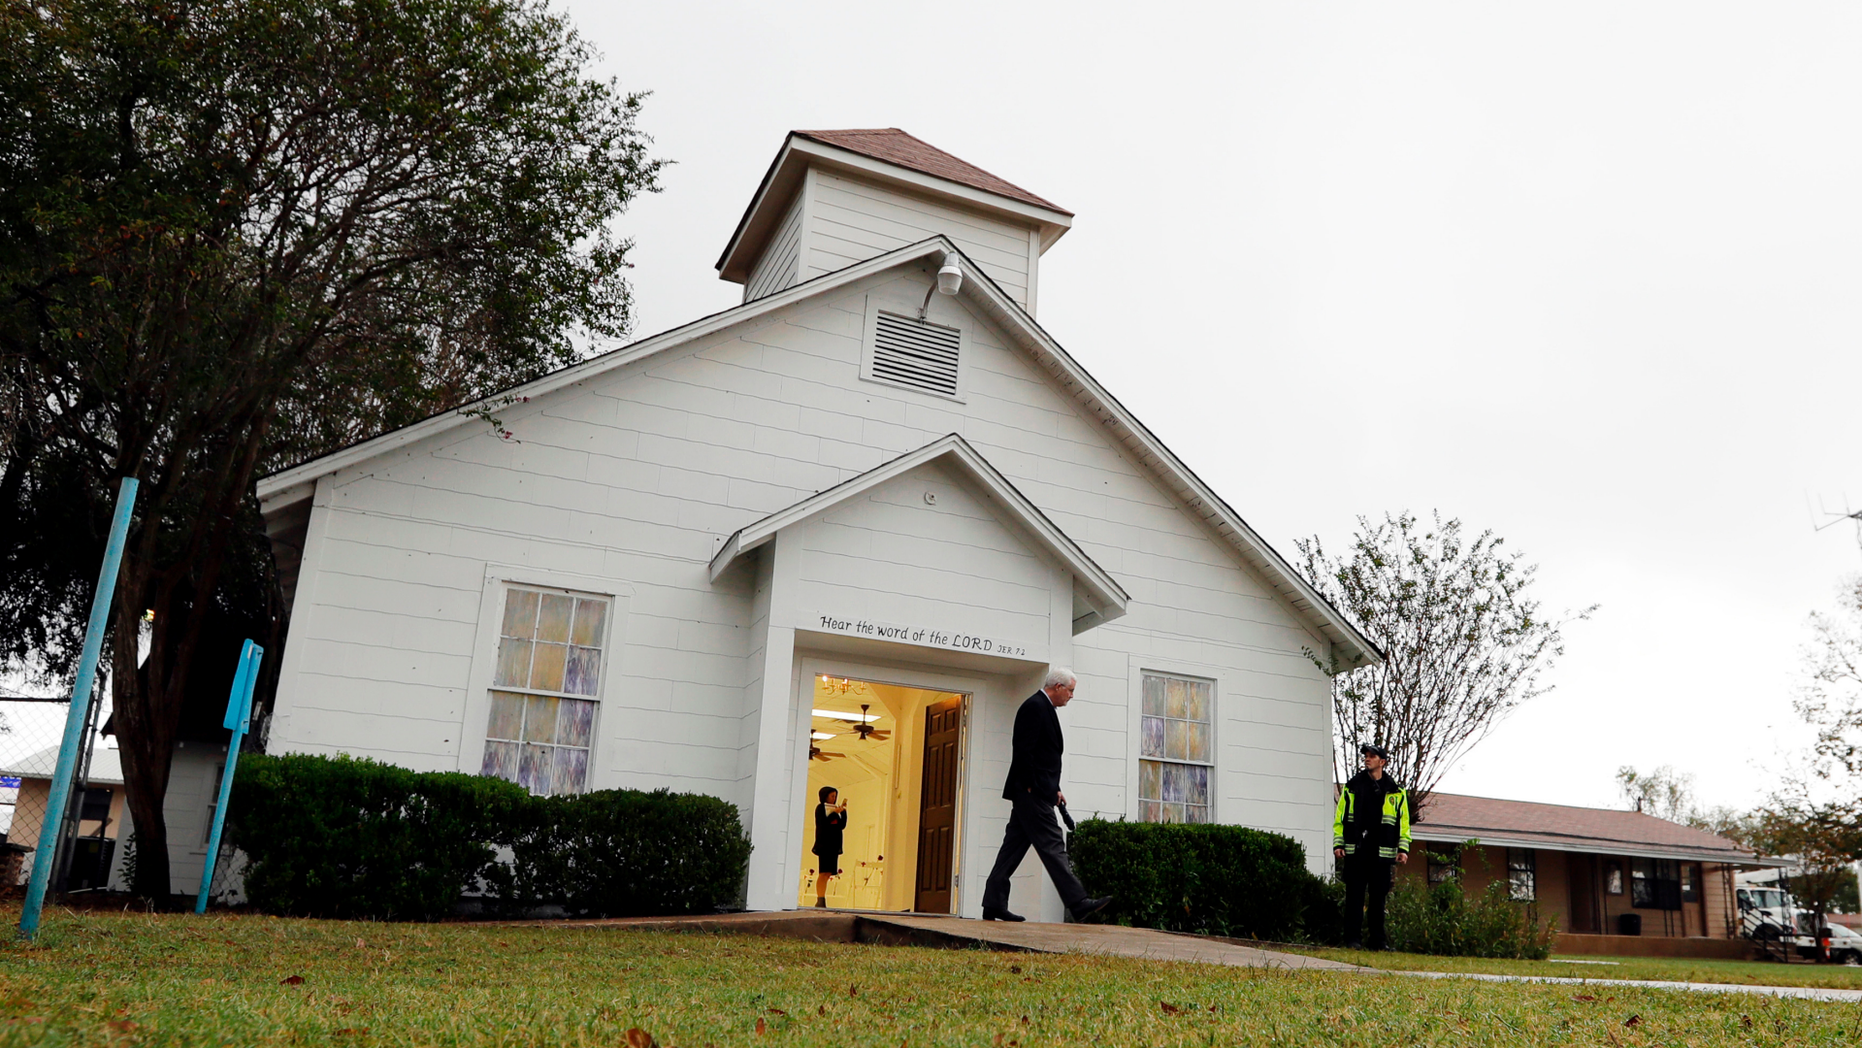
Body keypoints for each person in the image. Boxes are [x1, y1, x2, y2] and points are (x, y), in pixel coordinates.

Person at [980, 668, 1112, 923]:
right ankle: (1079, 902)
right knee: (1053, 844)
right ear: (1058, 686)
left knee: (1012, 849)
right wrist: (1033, 786)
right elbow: (1024, 750)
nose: (1072, 696)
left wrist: (1055, 789)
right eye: (1071, 690)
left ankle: (993, 903)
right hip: (1032, 793)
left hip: (1035, 791)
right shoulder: (1034, 706)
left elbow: (1044, 756)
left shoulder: (1043, 707)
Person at [1333, 743, 1411, 950]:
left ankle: (1378, 942)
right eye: (1366, 756)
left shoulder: (1396, 792)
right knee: (1354, 899)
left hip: (1382, 854)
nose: (1367, 759)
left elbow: (1403, 823)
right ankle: (1352, 941)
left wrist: (1403, 849)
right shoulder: (1352, 787)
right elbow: (1340, 818)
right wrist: (1338, 843)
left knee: (1378, 900)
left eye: (1372, 756)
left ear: (1382, 762)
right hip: (1357, 851)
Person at [812, 786, 846, 907]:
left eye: (835, 796)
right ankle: (820, 898)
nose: (834, 798)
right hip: (824, 845)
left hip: (834, 845)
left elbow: (841, 825)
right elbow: (823, 824)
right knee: (823, 872)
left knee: (828, 873)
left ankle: (822, 898)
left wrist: (843, 812)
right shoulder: (821, 808)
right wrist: (833, 814)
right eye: (832, 796)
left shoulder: (834, 809)